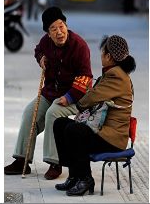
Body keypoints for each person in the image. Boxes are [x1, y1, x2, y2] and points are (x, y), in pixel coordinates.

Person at [4, 6, 93, 180]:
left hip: (76, 95)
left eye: (61, 26)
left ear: (66, 25)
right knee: (29, 113)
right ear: (48, 32)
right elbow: (38, 50)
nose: (59, 32)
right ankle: (22, 160)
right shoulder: (46, 42)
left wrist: (68, 98)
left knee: (53, 114)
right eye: (54, 29)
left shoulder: (79, 46)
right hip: (51, 92)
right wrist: (41, 59)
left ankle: (55, 162)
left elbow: (86, 77)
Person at [53, 35, 135, 196]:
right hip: (102, 131)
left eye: (103, 52)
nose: (101, 56)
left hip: (112, 139)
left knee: (74, 130)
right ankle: (74, 176)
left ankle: (85, 179)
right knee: (61, 123)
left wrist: (79, 104)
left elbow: (92, 97)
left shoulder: (116, 76)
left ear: (109, 56)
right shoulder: (112, 73)